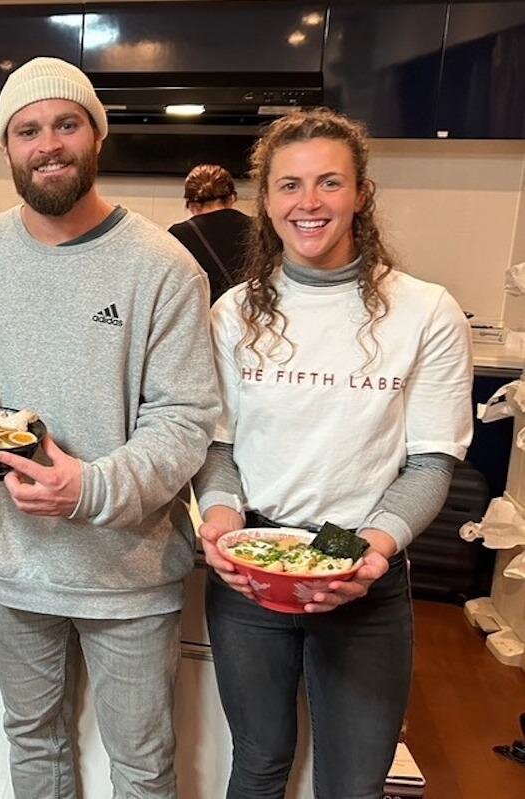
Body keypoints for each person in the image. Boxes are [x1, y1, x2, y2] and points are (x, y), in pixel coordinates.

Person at [0, 57, 220, 798]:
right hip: (13, 563)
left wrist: (88, 488)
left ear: (96, 135)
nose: (47, 144)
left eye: (66, 124)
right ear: (7, 147)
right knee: (34, 741)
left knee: (142, 765)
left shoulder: (163, 267)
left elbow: (185, 419)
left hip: (129, 573)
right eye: (27, 131)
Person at [193, 109, 473, 799]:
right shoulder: (233, 314)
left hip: (362, 571)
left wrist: (367, 553)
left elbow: (431, 462)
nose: (308, 202)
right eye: (289, 185)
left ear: (362, 194)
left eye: (329, 182)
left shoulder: (426, 312)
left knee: (354, 783)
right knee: (258, 764)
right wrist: (221, 519)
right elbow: (218, 445)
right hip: (254, 570)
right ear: (265, 201)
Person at [168, 164, 251, 302]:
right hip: (260, 311)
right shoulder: (261, 228)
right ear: (232, 198)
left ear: (191, 205)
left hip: (206, 313)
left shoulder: (178, 235)